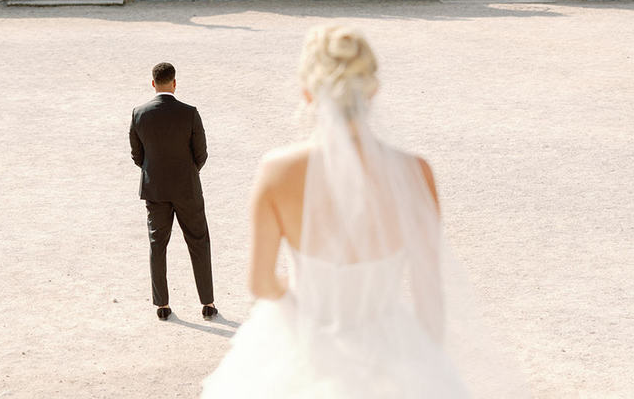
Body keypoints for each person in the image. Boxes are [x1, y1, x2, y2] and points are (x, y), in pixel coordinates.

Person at [201, 26, 485, 396]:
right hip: (390, 347)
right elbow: (429, 292)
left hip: (304, 344)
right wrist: (423, 367)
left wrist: (306, 300)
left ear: (307, 92)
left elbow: (260, 282)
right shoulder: (416, 172)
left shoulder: (277, 171)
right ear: (373, 90)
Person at [129, 62, 216, 322]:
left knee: (157, 245)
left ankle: (162, 304)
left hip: (155, 188)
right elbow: (201, 152)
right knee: (198, 242)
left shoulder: (139, 113)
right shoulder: (189, 113)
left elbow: (137, 155)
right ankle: (208, 303)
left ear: (153, 83)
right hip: (187, 188)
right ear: (175, 83)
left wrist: (154, 171)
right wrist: (189, 172)